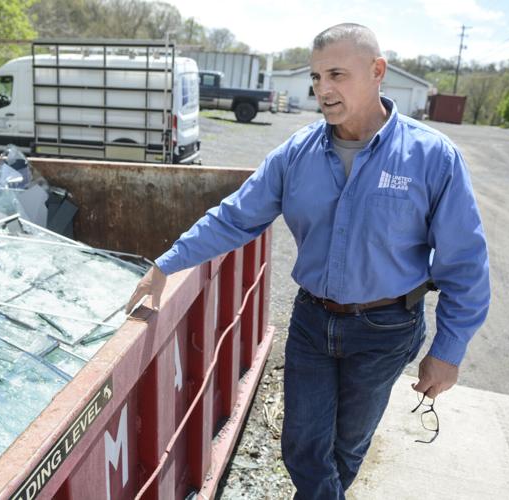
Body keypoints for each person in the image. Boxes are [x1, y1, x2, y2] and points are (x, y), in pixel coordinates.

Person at [125, 23, 490, 499]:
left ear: (377, 71)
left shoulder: (432, 157)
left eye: (337, 74)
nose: (324, 89)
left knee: (347, 447)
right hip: (313, 322)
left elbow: (465, 264)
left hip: (386, 329)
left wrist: (448, 352)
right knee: (301, 446)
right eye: (317, 77)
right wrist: (165, 264)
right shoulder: (296, 154)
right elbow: (235, 218)